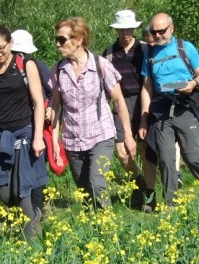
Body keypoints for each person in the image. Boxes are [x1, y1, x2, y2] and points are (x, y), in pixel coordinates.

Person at [50, 17, 136, 208]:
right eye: (56, 39)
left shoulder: (100, 65)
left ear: (78, 39)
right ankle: (92, 228)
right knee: (84, 190)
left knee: (98, 183)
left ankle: (108, 225)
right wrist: (55, 142)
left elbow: (119, 101)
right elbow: (55, 108)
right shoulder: (58, 71)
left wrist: (128, 135)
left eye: (62, 39)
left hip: (101, 135)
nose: (57, 44)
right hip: (73, 138)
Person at [0, 26, 48, 238]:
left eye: (0, 48)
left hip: (25, 131)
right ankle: (34, 215)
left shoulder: (26, 65)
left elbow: (38, 102)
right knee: (5, 193)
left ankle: (31, 240)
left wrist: (38, 137)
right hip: (0, 135)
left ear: (10, 43)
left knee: (21, 189)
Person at [138, 13, 199, 205]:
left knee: (191, 155)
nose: (158, 35)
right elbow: (147, 88)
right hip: (161, 109)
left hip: (185, 105)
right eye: (154, 32)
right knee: (166, 157)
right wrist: (144, 118)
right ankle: (172, 202)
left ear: (172, 28)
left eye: (162, 31)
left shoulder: (185, 48)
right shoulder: (150, 55)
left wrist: (193, 84)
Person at [104, 9, 157, 208]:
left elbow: (151, 80)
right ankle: (139, 181)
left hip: (144, 101)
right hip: (120, 104)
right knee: (122, 152)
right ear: (116, 30)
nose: (126, 33)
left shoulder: (145, 49)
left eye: (129, 29)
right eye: (121, 29)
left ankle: (151, 195)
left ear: (134, 29)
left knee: (144, 150)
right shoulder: (108, 54)